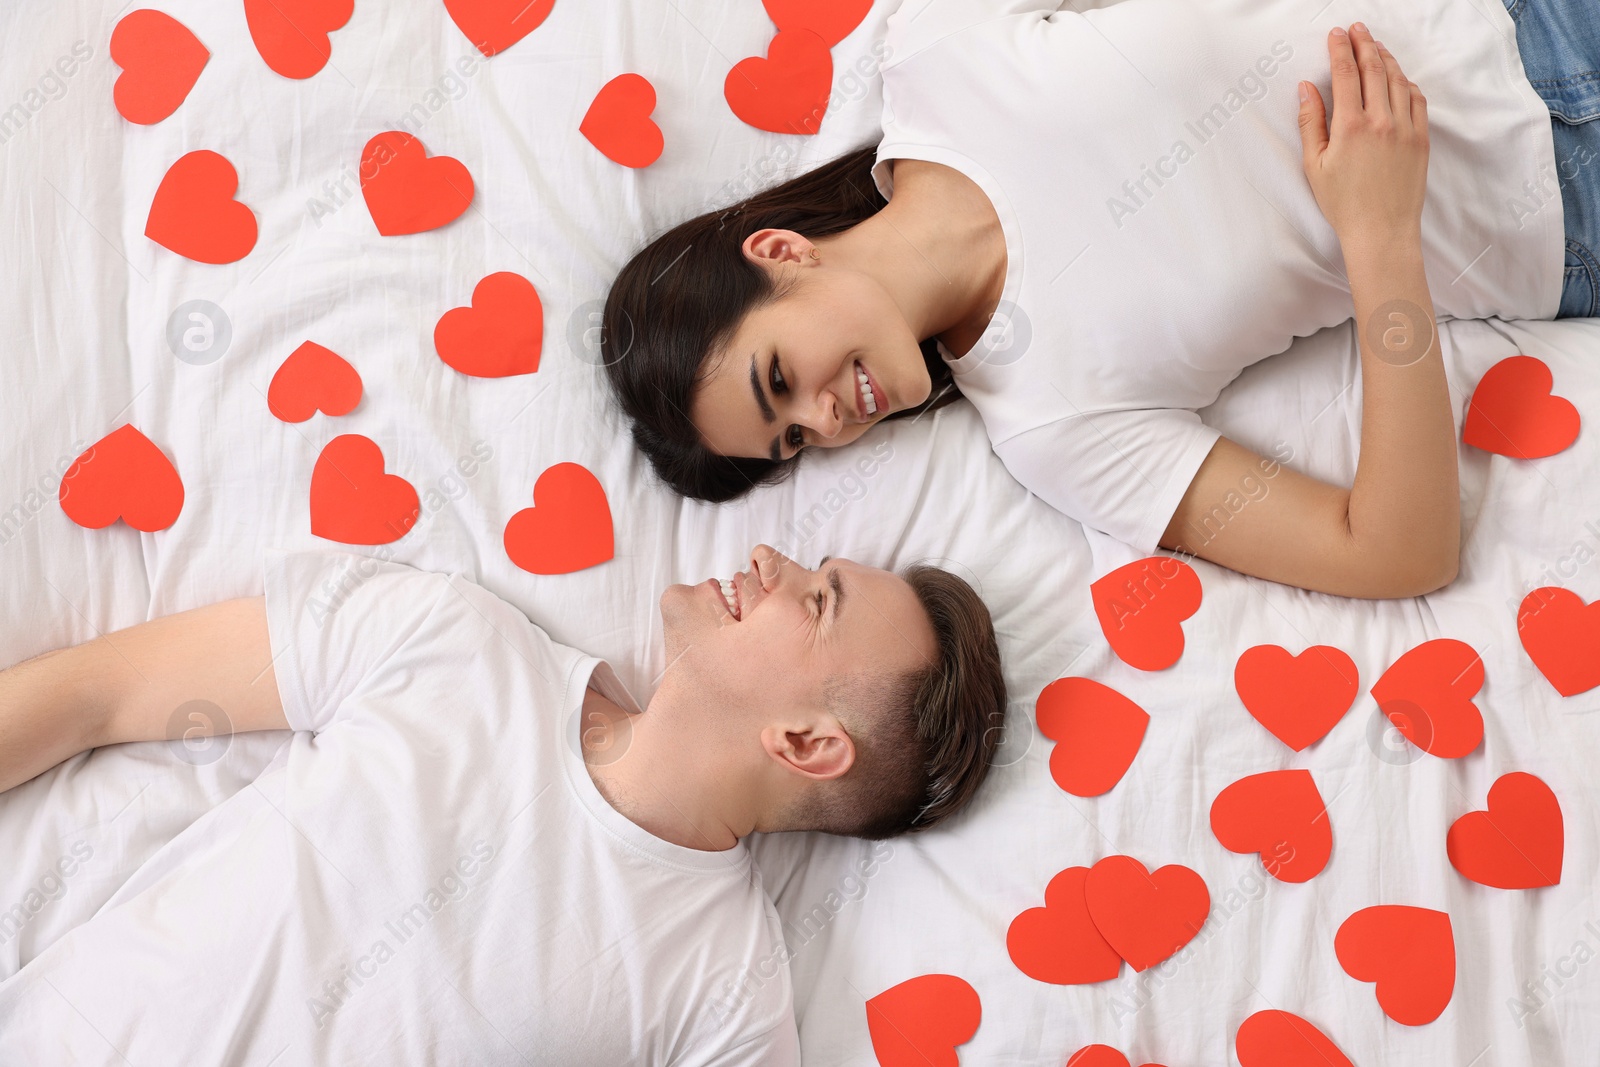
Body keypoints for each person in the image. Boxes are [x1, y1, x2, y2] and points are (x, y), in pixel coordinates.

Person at [602, 0, 1600, 600]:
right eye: (794, 442)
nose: (824, 419)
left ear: (779, 253)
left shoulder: (937, 56)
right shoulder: (1056, 428)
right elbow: (1395, 551)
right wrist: (1381, 240)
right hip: (1565, 206)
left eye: (778, 379)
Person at [0, 544, 1005, 1064]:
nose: (771, 561)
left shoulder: (724, 1000)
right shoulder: (448, 638)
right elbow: (94, 694)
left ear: (806, 742)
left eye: (816, 597)